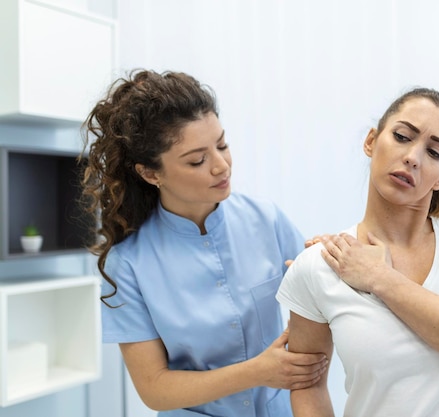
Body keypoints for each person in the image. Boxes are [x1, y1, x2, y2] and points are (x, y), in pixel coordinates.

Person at [79, 69, 328, 417]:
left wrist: (331, 260)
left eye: (222, 145)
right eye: (198, 160)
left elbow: (319, 294)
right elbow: (154, 389)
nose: (221, 165)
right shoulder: (129, 265)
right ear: (151, 174)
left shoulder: (266, 219)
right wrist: (259, 371)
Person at [276, 87, 439, 416]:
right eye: (401, 136)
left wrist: (382, 279)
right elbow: (308, 383)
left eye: (435, 153)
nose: (413, 156)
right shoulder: (320, 265)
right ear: (371, 141)